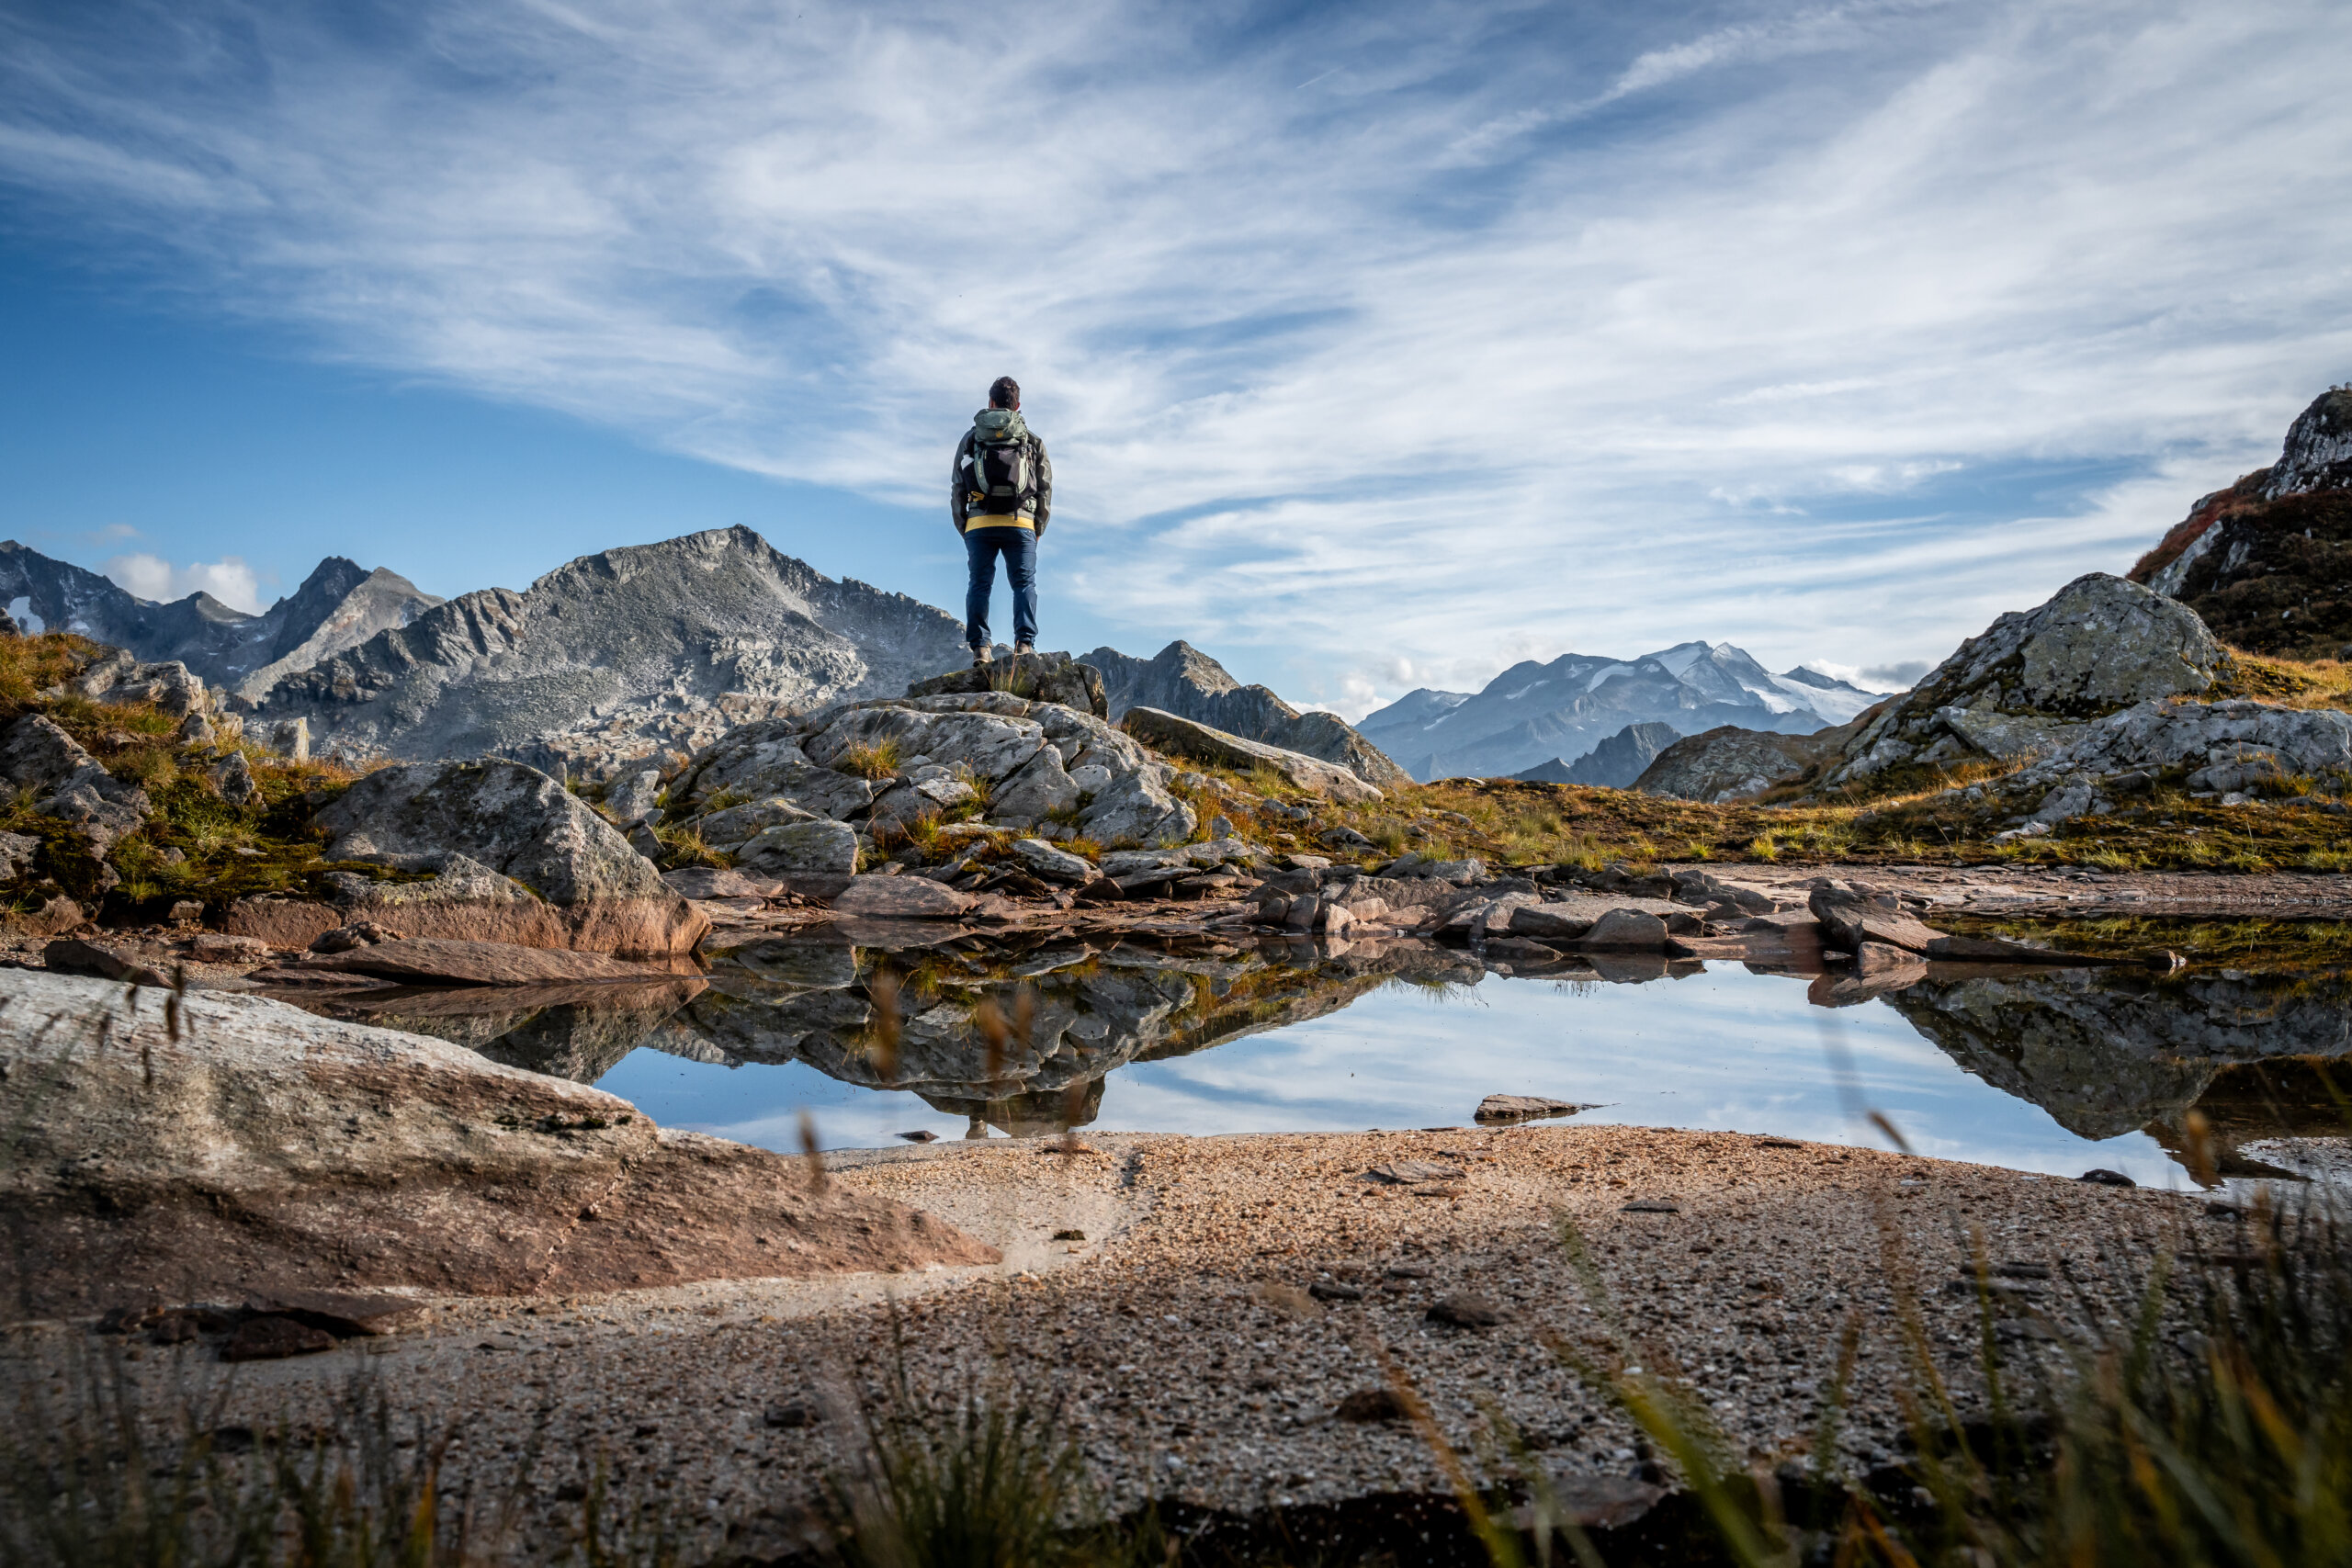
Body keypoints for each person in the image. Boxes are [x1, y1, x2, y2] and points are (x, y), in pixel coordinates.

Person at [951, 375, 1053, 666]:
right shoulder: (1031, 440)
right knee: (1024, 584)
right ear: (1017, 405)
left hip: (979, 523)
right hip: (1020, 521)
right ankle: (1024, 645)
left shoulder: (971, 438)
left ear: (990, 402)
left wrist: (965, 525)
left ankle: (981, 648)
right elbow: (1045, 487)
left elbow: (958, 485)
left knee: (979, 584)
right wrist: (1037, 527)